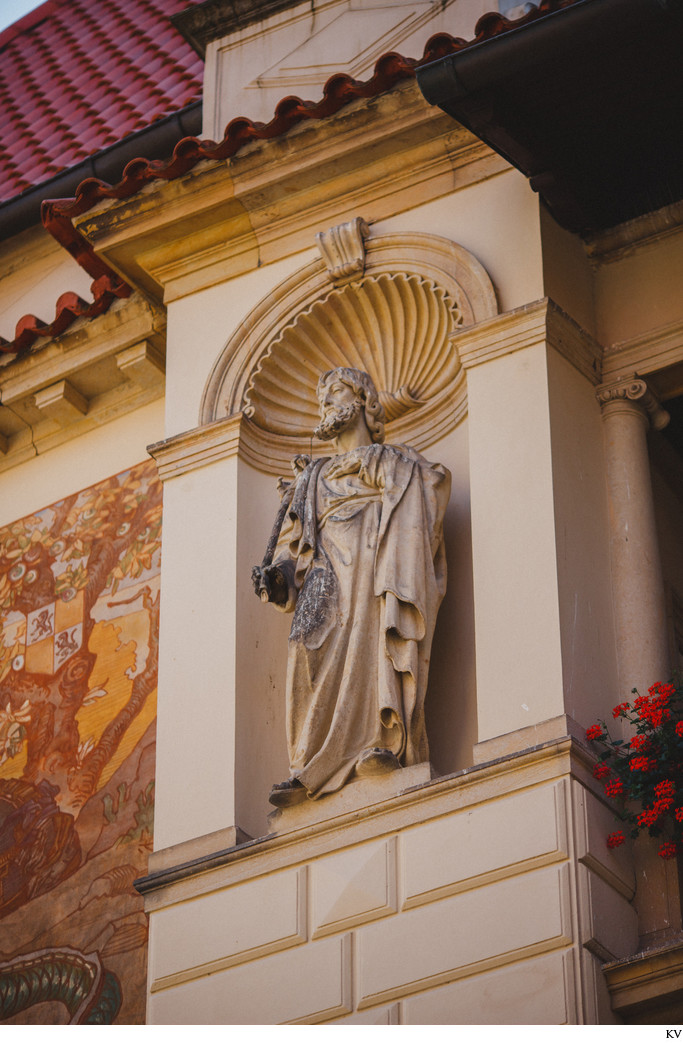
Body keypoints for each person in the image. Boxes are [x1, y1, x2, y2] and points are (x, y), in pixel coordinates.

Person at [252, 367, 450, 807]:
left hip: (376, 565)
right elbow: (291, 545)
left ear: (363, 401)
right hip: (324, 575)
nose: (326, 403)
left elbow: (429, 490)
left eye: (336, 392)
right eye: (322, 397)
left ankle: (379, 743)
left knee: (372, 643)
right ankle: (307, 764)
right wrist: (279, 580)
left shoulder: (395, 460)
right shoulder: (311, 477)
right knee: (308, 653)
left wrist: (380, 466)